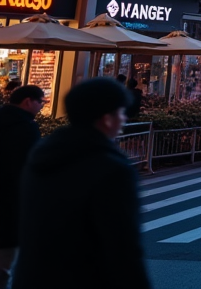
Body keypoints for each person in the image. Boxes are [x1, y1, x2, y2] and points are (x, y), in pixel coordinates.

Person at [12, 78, 150, 289]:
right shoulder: (111, 168)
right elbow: (122, 246)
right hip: (86, 278)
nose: (124, 119)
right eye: (121, 112)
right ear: (107, 118)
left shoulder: (41, 157)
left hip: (32, 277)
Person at [0, 85, 44, 282]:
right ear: (28, 101)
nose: (41, 106)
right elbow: (29, 167)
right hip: (11, 204)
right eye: (40, 102)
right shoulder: (26, 127)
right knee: (5, 265)